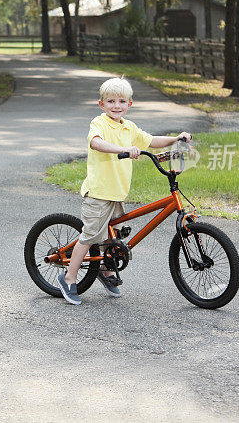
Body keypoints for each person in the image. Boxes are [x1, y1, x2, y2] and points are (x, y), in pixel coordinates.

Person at [56, 77, 191, 305]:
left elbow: (152, 140)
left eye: (121, 101)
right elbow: (96, 143)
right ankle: (69, 277)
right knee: (90, 236)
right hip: (99, 192)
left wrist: (175, 139)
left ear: (130, 104)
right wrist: (124, 149)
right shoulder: (99, 124)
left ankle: (105, 271)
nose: (116, 106)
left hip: (118, 193)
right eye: (110, 101)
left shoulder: (129, 127)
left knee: (113, 236)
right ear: (102, 104)